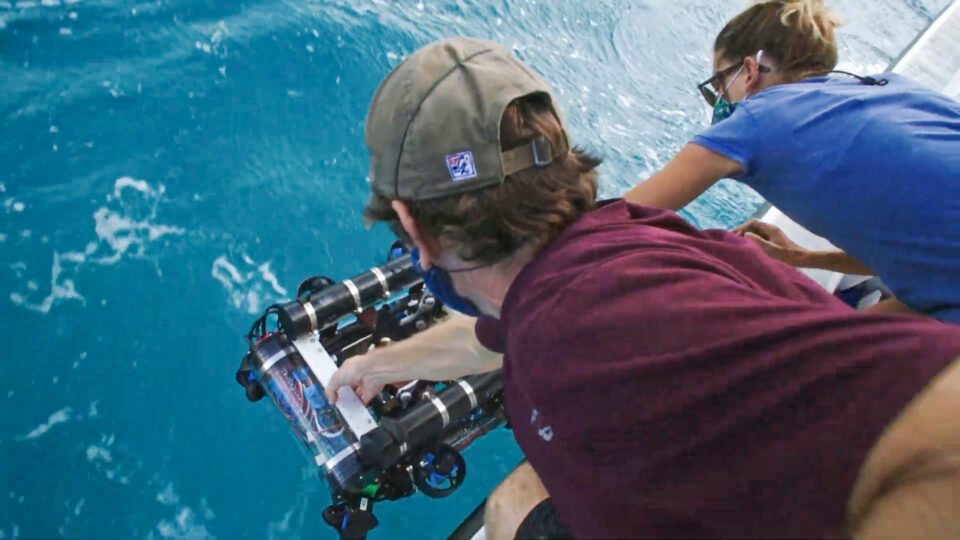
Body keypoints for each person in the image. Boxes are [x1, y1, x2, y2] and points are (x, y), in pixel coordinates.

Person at [325, 37, 960, 538]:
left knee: (515, 502)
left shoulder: (592, 329)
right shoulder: (599, 257)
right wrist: (377, 363)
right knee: (520, 493)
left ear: (412, 226)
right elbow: (495, 336)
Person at [621, 0, 960, 323]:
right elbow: (924, 245)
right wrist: (802, 258)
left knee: (807, 352)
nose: (721, 101)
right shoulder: (892, 89)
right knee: (834, 338)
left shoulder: (755, 120)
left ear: (749, 71)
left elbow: (616, 219)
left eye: (719, 86)